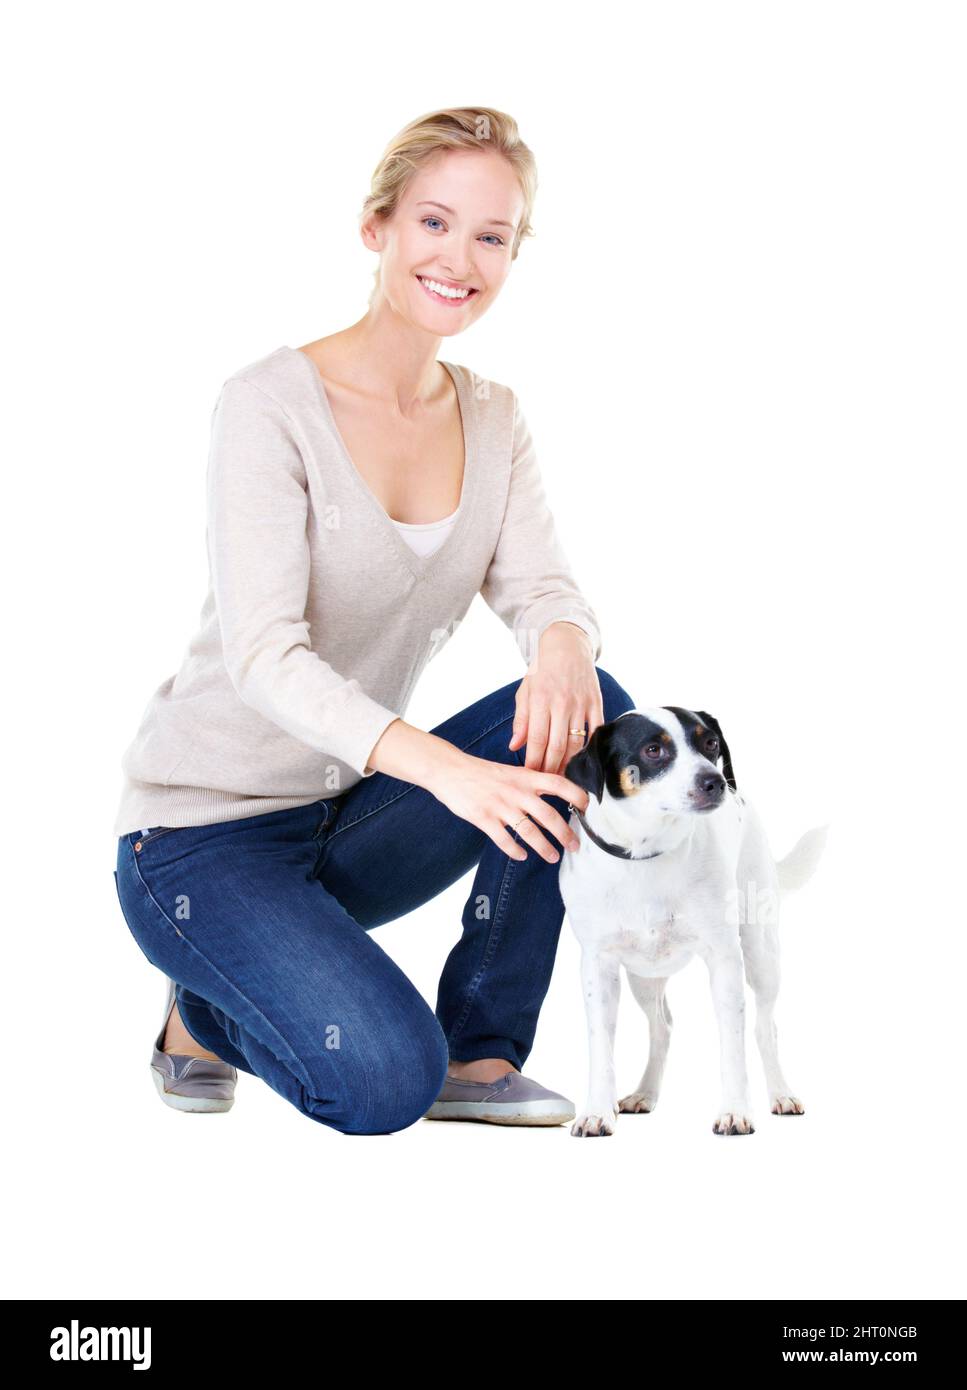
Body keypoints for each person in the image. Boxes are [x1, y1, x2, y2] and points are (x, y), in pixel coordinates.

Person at [112, 106, 637, 1135]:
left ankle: (481, 1053)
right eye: (435, 224)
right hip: (195, 842)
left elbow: (543, 590)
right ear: (377, 229)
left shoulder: (492, 415)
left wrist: (565, 641)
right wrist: (443, 768)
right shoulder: (268, 405)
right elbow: (265, 655)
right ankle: (203, 1012)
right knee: (382, 1082)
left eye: (492, 236)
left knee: (592, 709)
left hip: (342, 815)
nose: (460, 258)